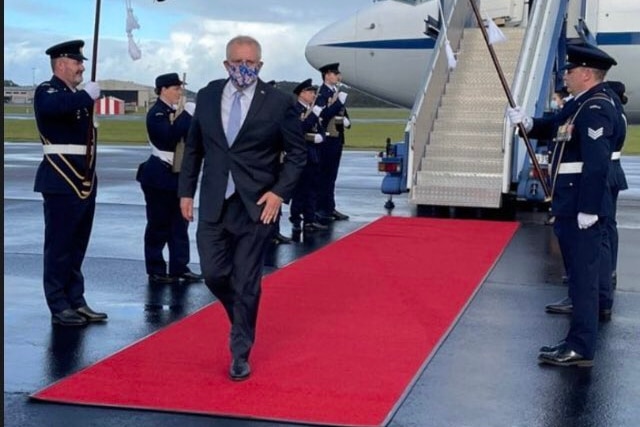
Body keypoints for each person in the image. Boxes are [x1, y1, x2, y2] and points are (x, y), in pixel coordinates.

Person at [178, 35, 306, 381]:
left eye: (251, 63)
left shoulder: (278, 103)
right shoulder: (206, 97)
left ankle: (240, 353)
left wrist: (280, 193)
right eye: (238, 63)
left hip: (257, 205)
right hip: (214, 201)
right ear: (226, 64)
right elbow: (194, 149)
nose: (244, 69)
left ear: (260, 66)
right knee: (214, 273)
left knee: (247, 281)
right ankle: (242, 317)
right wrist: (185, 192)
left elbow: (297, 154)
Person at [508, 43, 623, 367]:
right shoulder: (579, 105)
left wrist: (589, 209)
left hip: (579, 205)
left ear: (586, 73)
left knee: (583, 279)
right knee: (578, 274)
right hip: (570, 202)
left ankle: (580, 346)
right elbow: (554, 124)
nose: (565, 76)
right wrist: (528, 123)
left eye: (570, 71)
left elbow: (597, 165)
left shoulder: (596, 108)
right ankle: (577, 342)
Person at [33, 40, 108, 326]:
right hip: (60, 178)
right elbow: (56, 108)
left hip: (84, 179)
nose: (82, 67)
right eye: (77, 62)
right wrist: (86, 96)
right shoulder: (47, 91)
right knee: (59, 246)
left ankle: (76, 300)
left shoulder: (75, 95)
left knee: (77, 245)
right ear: (61, 63)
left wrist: (83, 97)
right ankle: (58, 303)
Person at [136, 73, 203, 285]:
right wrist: (186, 116)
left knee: (179, 225)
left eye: (179, 88)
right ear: (163, 89)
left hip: (177, 176)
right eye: (175, 88)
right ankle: (156, 269)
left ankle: (179, 267)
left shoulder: (176, 112)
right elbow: (168, 137)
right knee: (158, 224)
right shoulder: (156, 113)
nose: (179, 92)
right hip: (159, 175)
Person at [289, 78, 329, 233]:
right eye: (310, 92)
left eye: (314, 92)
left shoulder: (311, 109)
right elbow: (300, 129)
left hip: (314, 154)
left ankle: (309, 219)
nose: (313, 95)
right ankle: (296, 220)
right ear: (301, 93)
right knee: (300, 190)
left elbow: (319, 128)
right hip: (301, 155)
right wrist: (314, 114)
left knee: (312, 189)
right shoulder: (295, 109)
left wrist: (321, 136)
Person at [314, 62, 351, 223]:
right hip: (327, 140)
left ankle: (329, 206)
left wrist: (347, 120)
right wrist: (338, 103)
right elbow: (322, 115)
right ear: (327, 75)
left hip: (336, 138)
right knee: (324, 175)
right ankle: (321, 208)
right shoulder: (321, 94)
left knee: (332, 175)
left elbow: (342, 112)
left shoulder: (335, 91)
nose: (338, 76)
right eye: (335, 74)